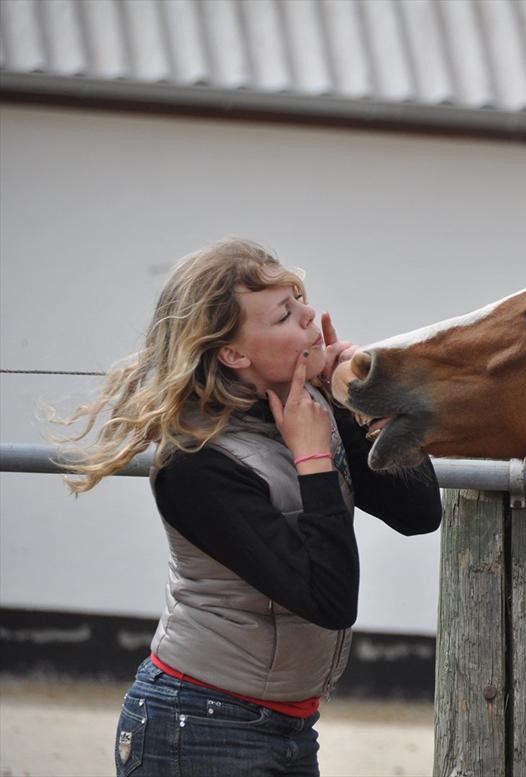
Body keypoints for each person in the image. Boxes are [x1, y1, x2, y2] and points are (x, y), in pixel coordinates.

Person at [56, 238, 442, 776]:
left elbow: (420, 515)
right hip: (196, 727)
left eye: (301, 299)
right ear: (234, 354)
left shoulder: (310, 409)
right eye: (285, 313)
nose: (309, 315)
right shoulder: (194, 462)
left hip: (288, 727)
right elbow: (329, 598)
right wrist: (312, 460)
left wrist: (356, 404)